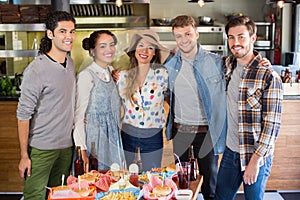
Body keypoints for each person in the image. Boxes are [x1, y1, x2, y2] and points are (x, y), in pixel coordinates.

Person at [215, 16, 283, 200]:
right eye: (231, 37)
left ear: (253, 38)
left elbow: (272, 126)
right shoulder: (228, 65)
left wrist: (255, 161)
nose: (235, 43)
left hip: (255, 155)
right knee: (220, 197)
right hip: (231, 151)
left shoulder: (268, 75)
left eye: (241, 37)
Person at [163, 15, 227, 200]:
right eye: (179, 36)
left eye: (188, 34)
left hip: (207, 133)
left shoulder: (216, 62)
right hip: (180, 132)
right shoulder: (170, 65)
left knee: (210, 188)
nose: (184, 40)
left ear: (196, 34)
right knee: (182, 185)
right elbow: (166, 93)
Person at [16, 11, 76, 199]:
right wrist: (25, 155)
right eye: (63, 31)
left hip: (66, 148)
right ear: (50, 34)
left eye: (72, 32)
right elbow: (23, 114)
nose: (69, 37)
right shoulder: (37, 69)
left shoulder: (71, 63)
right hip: (41, 150)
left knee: (59, 195)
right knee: (35, 196)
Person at [115, 30, 170, 171]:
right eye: (141, 45)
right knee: (130, 175)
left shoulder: (163, 74)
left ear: (154, 53)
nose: (145, 50)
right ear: (134, 50)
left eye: (150, 47)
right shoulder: (122, 77)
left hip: (153, 135)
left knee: (151, 176)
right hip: (128, 134)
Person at [73, 30, 125, 170]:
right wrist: (81, 151)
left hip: (113, 140)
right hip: (94, 142)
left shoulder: (111, 71)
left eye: (112, 45)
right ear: (92, 51)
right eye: (102, 46)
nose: (109, 49)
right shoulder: (86, 76)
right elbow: (78, 116)